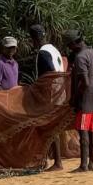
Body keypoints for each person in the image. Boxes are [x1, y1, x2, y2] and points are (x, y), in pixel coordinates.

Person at [65, 30, 93, 173]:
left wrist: (74, 98)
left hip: (85, 98)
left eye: (70, 45)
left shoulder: (80, 57)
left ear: (75, 43)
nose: (70, 49)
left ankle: (83, 165)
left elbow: (84, 82)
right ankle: (92, 163)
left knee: (83, 130)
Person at [29, 24, 64, 171]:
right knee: (53, 127)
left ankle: (56, 161)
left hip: (50, 94)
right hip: (59, 92)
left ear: (34, 39)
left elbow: (50, 72)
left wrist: (38, 89)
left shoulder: (43, 53)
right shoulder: (53, 49)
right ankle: (51, 159)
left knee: (50, 127)